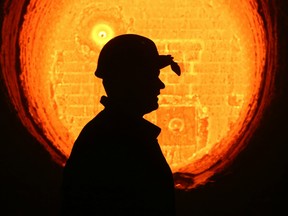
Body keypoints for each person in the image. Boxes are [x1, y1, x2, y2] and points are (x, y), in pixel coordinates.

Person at [61, 34, 181, 216]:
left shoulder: (111, 133)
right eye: (151, 76)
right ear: (130, 80)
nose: (160, 85)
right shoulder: (115, 141)